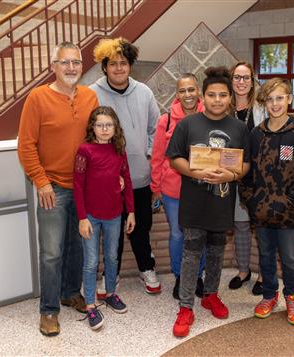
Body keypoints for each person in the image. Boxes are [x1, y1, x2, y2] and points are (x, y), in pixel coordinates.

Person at [17, 41, 99, 336]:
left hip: (83, 186)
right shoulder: (37, 98)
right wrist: (40, 181)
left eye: (75, 62)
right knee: (51, 252)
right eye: (64, 62)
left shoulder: (90, 97)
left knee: (77, 245)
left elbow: (98, 140)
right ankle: (48, 311)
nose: (71, 68)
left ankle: (69, 292)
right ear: (53, 66)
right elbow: (25, 145)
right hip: (52, 186)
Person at [166, 67, 250, 337]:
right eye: (211, 94)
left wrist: (232, 173)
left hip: (222, 203)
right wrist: (195, 171)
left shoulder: (238, 128)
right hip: (194, 203)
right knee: (191, 254)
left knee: (215, 253)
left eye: (222, 95)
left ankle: (211, 294)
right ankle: (186, 306)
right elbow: (174, 157)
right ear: (204, 96)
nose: (217, 100)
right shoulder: (188, 125)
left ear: (229, 98)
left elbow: (246, 163)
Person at [89, 37, 161, 296]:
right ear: (104, 67)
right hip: (108, 181)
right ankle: (111, 274)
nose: (119, 68)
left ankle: (147, 268)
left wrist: (149, 153)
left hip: (140, 177)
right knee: (112, 233)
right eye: (113, 64)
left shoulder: (144, 92)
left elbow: (155, 128)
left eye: (123, 63)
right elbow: (88, 134)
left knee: (141, 229)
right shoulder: (92, 94)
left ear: (130, 65)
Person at [239, 77, 294, 326]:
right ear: (264, 103)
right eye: (270, 99)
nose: (275, 104)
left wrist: (291, 202)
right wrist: (250, 200)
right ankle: (269, 295)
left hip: (288, 212)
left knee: (289, 258)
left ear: (289, 99)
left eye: (279, 98)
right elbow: (247, 172)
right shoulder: (256, 134)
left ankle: (292, 296)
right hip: (261, 211)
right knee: (266, 256)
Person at [73, 106, 135, 330]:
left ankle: (110, 294)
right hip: (90, 216)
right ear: (93, 127)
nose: (104, 129)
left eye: (109, 124)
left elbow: (126, 181)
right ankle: (90, 305)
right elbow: (78, 186)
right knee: (90, 263)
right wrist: (82, 217)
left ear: (115, 127)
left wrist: (131, 212)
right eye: (100, 125)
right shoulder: (84, 150)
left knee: (112, 258)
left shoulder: (119, 150)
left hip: (114, 215)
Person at [150, 73, 206, 300]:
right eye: (183, 91)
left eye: (191, 90)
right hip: (173, 191)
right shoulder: (166, 121)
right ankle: (180, 276)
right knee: (177, 234)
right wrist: (156, 187)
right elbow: (157, 157)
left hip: (202, 189)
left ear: (198, 91)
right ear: (177, 95)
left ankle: (198, 275)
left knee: (199, 234)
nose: (188, 95)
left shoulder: (209, 116)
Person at [228, 61, 266, 296]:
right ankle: (243, 271)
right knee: (240, 225)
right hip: (234, 176)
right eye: (237, 77)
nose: (241, 82)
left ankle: (264, 274)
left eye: (246, 78)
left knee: (261, 227)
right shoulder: (224, 107)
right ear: (231, 80)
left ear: (252, 81)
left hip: (260, 177)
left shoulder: (262, 107)